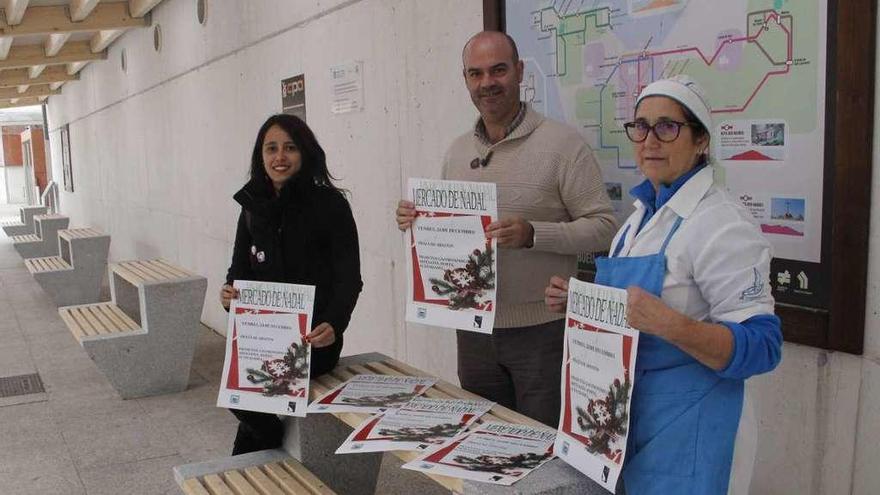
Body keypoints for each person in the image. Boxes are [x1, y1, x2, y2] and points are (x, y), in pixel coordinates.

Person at [545, 76, 782, 494]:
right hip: (629, 420)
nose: (649, 140)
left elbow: (763, 347)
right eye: (640, 126)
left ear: (701, 140)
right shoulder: (639, 218)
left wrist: (672, 325)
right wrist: (581, 304)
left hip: (693, 430)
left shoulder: (721, 223)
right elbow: (630, 313)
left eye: (667, 127)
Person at [396, 31, 617, 427]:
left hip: (543, 334)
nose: (487, 83)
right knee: (484, 448)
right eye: (475, 74)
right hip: (474, 333)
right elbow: (449, 238)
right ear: (465, 80)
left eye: (498, 70)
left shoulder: (563, 146)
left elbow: (604, 228)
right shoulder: (458, 151)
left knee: (545, 461)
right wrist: (416, 223)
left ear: (518, 72)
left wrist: (534, 234)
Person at [221, 114, 363, 455]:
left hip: (313, 342)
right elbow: (239, 269)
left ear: (305, 154)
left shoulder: (330, 205)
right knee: (239, 397)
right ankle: (271, 453)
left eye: (289, 148)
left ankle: (265, 458)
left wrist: (334, 324)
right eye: (271, 148)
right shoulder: (253, 206)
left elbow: (349, 279)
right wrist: (229, 294)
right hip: (264, 337)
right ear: (260, 156)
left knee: (250, 407)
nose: (279, 157)